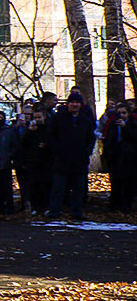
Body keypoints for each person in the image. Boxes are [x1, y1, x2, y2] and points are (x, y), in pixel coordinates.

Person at [47, 91, 97, 219]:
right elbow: (51, 136)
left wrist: (86, 151)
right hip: (62, 159)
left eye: (77, 103)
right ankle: (54, 211)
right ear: (68, 104)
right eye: (72, 102)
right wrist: (57, 150)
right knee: (58, 187)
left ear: (81, 104)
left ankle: (76, 211)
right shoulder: (58, 118)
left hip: (79, 159)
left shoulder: (85, 120)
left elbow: (91, 138)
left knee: (78, 188)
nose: (74, 105)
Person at [18, 109, 54, 216]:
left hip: (46, 161)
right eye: (35, 118)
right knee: (33, 185)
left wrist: (46, 145)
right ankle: (34, 206)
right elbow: (23, 144)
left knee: (46, 185)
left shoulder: (49, 129)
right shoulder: (30, 130)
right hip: (33, 160)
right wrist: (29, 132)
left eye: (39, 117)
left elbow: (53, 141)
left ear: (44, 117)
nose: (37, 120)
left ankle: (46, 206)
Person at [105, 102, 136, 212]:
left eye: (124, 113)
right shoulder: (112, 124)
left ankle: (127, 204)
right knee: (115, 181)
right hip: (115, 156)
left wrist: (125, 127)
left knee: (129, 182)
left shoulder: (133, 123)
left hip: (129, 157)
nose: (121, 115)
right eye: (119, 113)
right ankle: (115, 203)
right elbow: (108, 139)